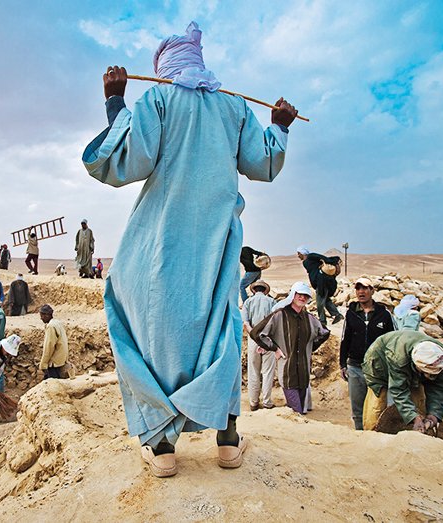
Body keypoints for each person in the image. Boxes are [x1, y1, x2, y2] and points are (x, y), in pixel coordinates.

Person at [81, 21, 297, 477]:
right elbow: (263, 163)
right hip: (218, 245)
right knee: (221, 330)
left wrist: (115, 101)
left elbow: (124, 162)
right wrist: (278, 127)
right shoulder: (234, 106)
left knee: (145, 324)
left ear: (163, 69)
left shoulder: (158, 99)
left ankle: (162, 447)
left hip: (162, 246)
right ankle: (228, 440)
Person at [253, 282, 329, 414]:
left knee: (300, 412)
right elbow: (258, 333)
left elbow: (324, 333)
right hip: (288, 371)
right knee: (296, 411)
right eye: (299, 294)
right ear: (293, 295)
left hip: (304, 373)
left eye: (305, 295)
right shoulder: (280, 315)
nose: (302, 298)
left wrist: (310, 347)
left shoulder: (309, 318)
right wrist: (274, 348)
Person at [362, 330, 443, 432]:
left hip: (408, 365)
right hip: (379, 365)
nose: (428, 376)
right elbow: (398, 390)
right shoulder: (398, 357)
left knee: (420, 404)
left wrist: (434, 415)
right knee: (376, 406)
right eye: (425, 372)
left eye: (431, 374)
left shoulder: (440, 358)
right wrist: (413, 418)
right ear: (415, 364)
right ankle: (371, 435)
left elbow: (439, 387)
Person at [339, 277, 395, 430]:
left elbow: (392, 341)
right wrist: (342, 364)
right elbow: (345, 339)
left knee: (378, 407)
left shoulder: (384, 315)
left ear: (372, 291)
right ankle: (360, 434)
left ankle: (378, 436)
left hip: (377, 369)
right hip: (355, 367)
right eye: (358, 288)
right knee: (357, 407)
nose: (361, 292)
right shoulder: (351, 314)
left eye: (365, 288)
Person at [241, 280, 276, 410]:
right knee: (268, 371)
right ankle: (267, 402)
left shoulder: (248, 302)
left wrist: (255, 336)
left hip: (253, 339)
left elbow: (246, 323)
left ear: (254, 290)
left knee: (253, 371)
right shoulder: (272, 302)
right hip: (269, 339)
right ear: (265, 290)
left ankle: (253, 402)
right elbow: (275, 323)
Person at [296, 246, 343, 326]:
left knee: (319, 303)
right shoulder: (305, 262)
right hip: (319, 283)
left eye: (298, 253)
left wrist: (334, 260)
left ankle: (322, 321)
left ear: (302, 253)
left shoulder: (311, 256)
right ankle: (337, 315)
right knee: (326, 300)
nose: (298, 255)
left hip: (322, 282)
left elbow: (323, 258)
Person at [39, 304, 68, 380]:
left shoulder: (51, 326)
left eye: (42, 315)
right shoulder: (58, 323)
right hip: (61, 360)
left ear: (47, 315)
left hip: (54, 363)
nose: (41, 318)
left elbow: (49, 347)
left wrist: (43, 364)